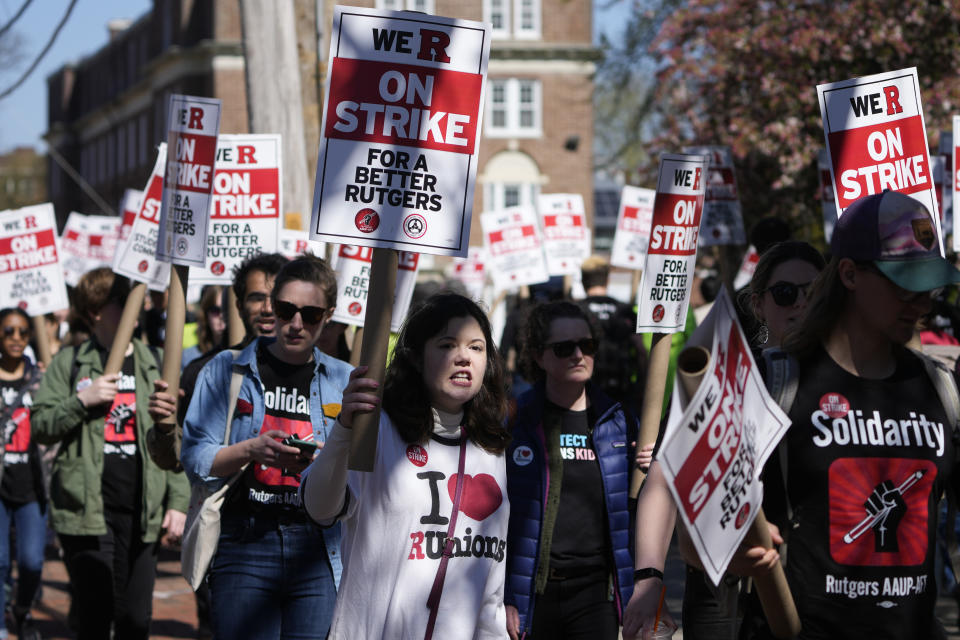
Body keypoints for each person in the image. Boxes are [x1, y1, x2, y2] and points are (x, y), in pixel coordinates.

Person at [300, 293, 511, 639]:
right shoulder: (378, 429)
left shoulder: (492, 448)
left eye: (476, 348)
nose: (463, 358)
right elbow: (319, 508)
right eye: (446, 345)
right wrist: (344, 431)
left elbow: (490, 575)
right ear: (415, 357)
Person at [180, 254, 349, 639]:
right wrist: (251, 450)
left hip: (318, 549)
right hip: (245, 542)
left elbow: (363, 475)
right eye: (286, 309)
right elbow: (193, 456)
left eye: (310, 314)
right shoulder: (227, 368)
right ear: (273, 305)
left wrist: (323, 460)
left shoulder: (344, 379)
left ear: (329, 315)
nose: (295, 323)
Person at [30, 267, 189, 640]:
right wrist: (80, 401)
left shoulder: (154, 362)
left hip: (142, 512)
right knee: (96, 616)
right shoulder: (70, 363)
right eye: (122, 301)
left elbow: (177, 437)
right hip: (86, 512)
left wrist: (178, 501)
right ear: (96, 310)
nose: (137, 307)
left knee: (136, 619)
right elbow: (40, 425)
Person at [504, 300, 644, 640]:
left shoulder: (619, 422)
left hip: (595, 595)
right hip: (533, 594)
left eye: (587, 345)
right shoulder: (515, 420)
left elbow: (638, 512)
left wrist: (649, 467)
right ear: (538, 356)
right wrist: (504, 594)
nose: (578, 355)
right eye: (564, 348)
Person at [0, 308, 46, 640]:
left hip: (33, 486)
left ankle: (22, 607)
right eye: (8, 332)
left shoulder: (41, 378)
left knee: (31, 561)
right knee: (0, 561)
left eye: (23, 332)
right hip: (0, 487)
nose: (16, 338)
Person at [578, 256, 645, 413]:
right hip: (622, 392)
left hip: (584, 394)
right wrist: (642, 387)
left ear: (583, 281)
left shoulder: (575, 311)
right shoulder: (625, 310)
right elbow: (641, 350)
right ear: (607, 280)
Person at [181, 286, 226, 369]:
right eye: (215, 310)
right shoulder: (188, 357)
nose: (221, 315)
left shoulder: (248, 354)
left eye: (226, 309)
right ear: (205, 314)